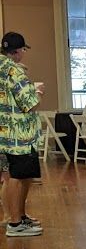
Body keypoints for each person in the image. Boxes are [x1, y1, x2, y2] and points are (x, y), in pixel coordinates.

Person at [0, 30, 42, 237]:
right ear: (18, 51)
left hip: (4, 132)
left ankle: (18, 216)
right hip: (19, 135)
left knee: (14, 176)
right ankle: (16, 224)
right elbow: (29, 103)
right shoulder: (14, 71)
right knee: (18, 177)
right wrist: (37, 91)